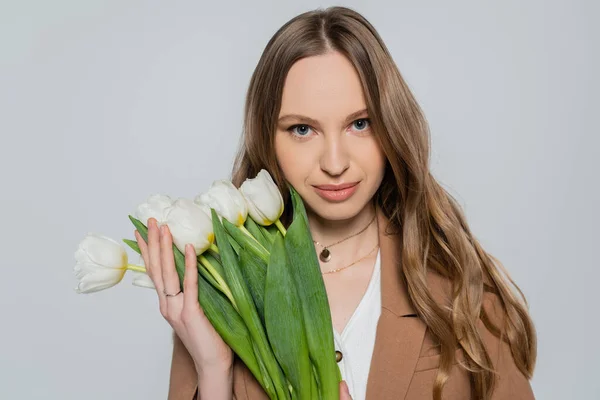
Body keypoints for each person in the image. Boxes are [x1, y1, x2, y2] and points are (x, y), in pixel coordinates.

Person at [134, 6, 537, 400]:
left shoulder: (458, 287)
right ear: (267, 138)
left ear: (391, 126)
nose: (335, 163)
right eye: (303, 129)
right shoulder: (224, 290)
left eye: (360, 124)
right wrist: (213, 370)